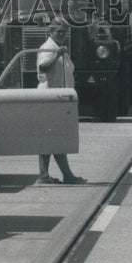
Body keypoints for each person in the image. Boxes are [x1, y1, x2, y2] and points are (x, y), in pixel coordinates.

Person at [34, 20, 85, 185]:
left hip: (60, 100)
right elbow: (44, 67)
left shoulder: (58, 48)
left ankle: (51, 175)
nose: (62, 35)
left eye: (65, 32)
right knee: (52, 137)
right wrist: (56, 55)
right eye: (59, 32)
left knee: (54, 138)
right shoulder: (49, 48)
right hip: (50, 98)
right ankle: (54, 176)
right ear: (51, 32)